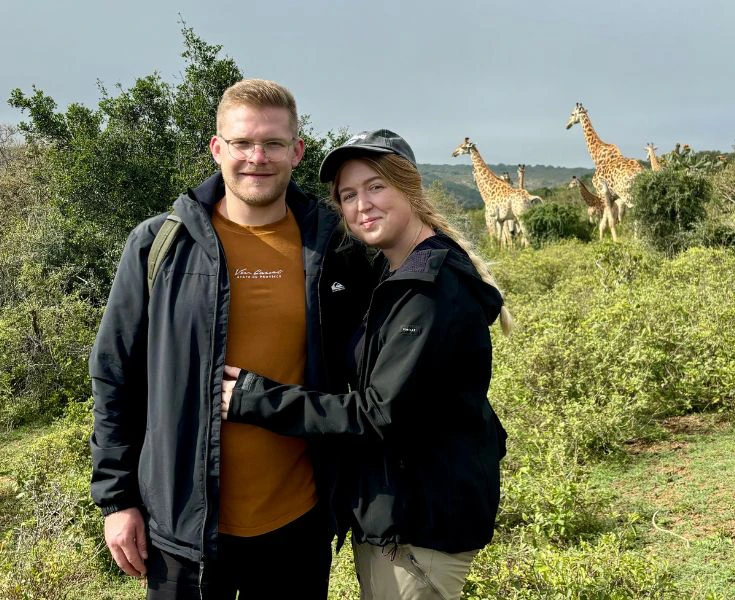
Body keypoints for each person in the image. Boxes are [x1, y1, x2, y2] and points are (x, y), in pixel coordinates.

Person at [89, 79, 372, 599]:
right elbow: (114, 374)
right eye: (242, 143)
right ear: (218, 148)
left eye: (273, 144)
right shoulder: (159, 244)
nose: (257, 158)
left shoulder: (335, 248)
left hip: (298, 524)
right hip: (182, 528)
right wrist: (117, 499)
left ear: (297, 151)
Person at [220, 129, 510, 600]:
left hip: (420, 525)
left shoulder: (429, 290)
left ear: (409, 186)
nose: (362, 205)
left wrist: (256, 398)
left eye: (376, 186)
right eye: (348, 195)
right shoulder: (394, 272)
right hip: (398, 513)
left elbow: (380, 413)